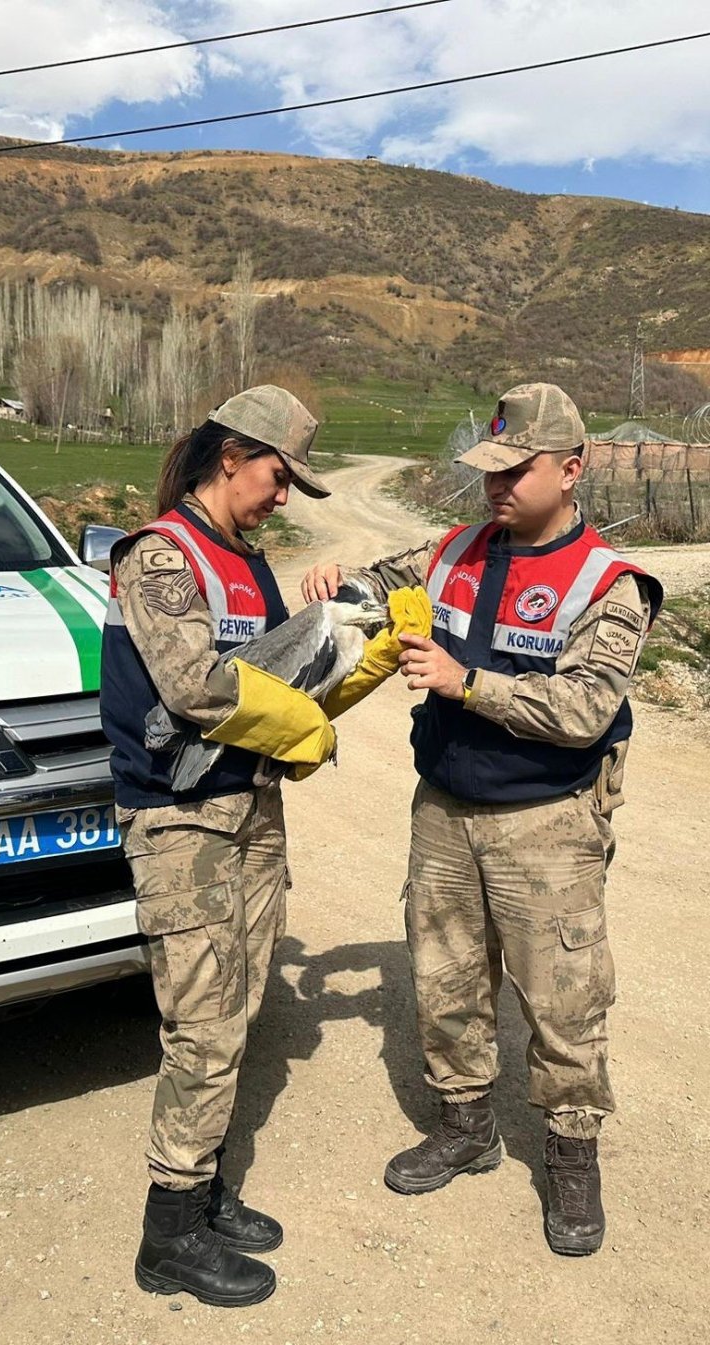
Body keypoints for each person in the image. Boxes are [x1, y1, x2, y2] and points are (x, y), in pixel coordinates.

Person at [301, 382, 663, 1257]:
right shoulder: (457, 547)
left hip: (547, 821)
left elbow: (584, 708)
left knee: (564, 997)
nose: (497, 486)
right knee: (446, 978)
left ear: (571, 469)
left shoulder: (608, 584)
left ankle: (571, 1155)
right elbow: (384, 581)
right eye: (490, 470)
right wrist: (340, 580)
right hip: (445, 808)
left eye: (516, 469)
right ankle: (466, 1124)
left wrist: (467, 683)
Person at [101, 385, 427, 1306]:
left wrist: (365, 661)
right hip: (183, 823)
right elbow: (196, 687)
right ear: (231, 456)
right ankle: (169, 1231)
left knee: (238, 1006)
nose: (283, 498)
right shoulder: (160, 555)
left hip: (246, 813)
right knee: (202, 1022)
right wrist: (300, 728)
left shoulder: (245, 562)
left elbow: (288, 691)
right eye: (278, 477)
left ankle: (202, 1189)